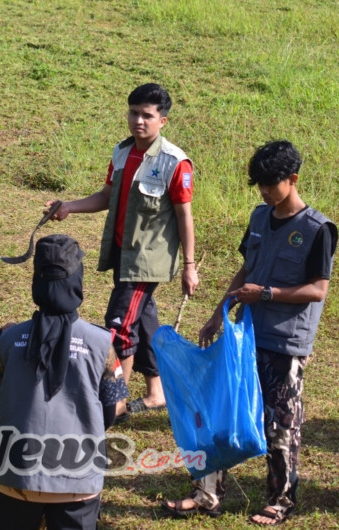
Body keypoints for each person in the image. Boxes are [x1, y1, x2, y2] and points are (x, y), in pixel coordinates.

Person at [161, 140, 338, 526]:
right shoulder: (260, 217)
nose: (263, 191)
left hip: (286, 343)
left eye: (270, 184)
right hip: (245, 335)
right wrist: (216, 315)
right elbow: (245, 270)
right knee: (220, 413)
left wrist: (268, 294)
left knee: (280, 425)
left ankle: (280, 501)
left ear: (293, 179)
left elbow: (318, 289)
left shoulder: (317, 229)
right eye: (258, 183)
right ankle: (206, 494)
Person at [46, 83, 198, 422]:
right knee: (144, 324)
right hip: (122, 253)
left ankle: (112, 406)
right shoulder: (122, 151)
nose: (138, 121)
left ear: (163, 121)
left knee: (118, 326)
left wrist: (190, 265)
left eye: (147, 115)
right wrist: (69, 206)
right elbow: (106, 197)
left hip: (147, 261)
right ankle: (157, 393)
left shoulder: (175, 163)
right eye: (134, 113)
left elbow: (184, 216)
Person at [0, 234, 129, 530]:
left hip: (15, 478)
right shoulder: (102, 343)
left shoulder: (7, 338)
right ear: (77, 282)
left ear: (36, 281)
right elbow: (112, 411)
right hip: (78, 482)